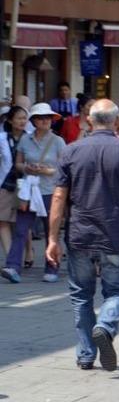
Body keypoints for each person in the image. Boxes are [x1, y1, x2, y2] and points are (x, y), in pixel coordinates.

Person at [46, 99, 119, 371]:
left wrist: (52, 239)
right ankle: (105, 325)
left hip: (80, 233)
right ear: (116, 122)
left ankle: (86, 354)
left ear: (89, 121)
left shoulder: (71, 151)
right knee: (117, 291)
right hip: (116, 233)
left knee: (81, 295)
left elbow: (58, 197)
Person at [1, 103, 66, 284]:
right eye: (41, 118)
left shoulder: (58, 141)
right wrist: (28, 168)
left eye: (48, 118)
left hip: (50, 191)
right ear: (34, 121)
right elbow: (18, 164)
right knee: (21, 230)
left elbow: (63, 168)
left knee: (50, 231)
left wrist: (47, 171)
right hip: (29, 190)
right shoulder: (25, 140)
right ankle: (13, 267)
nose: (45, 121)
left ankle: (52, 266)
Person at [0, 107, 26, 258]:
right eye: (19, 118)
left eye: (24, 118)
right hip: (6, 183)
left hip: (26, 184)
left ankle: (28, 252)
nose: (22, 121)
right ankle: (11, 258)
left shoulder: (29, 137)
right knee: (2, 220)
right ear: (10, 120)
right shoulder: (2, 137)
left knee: (22, 224)